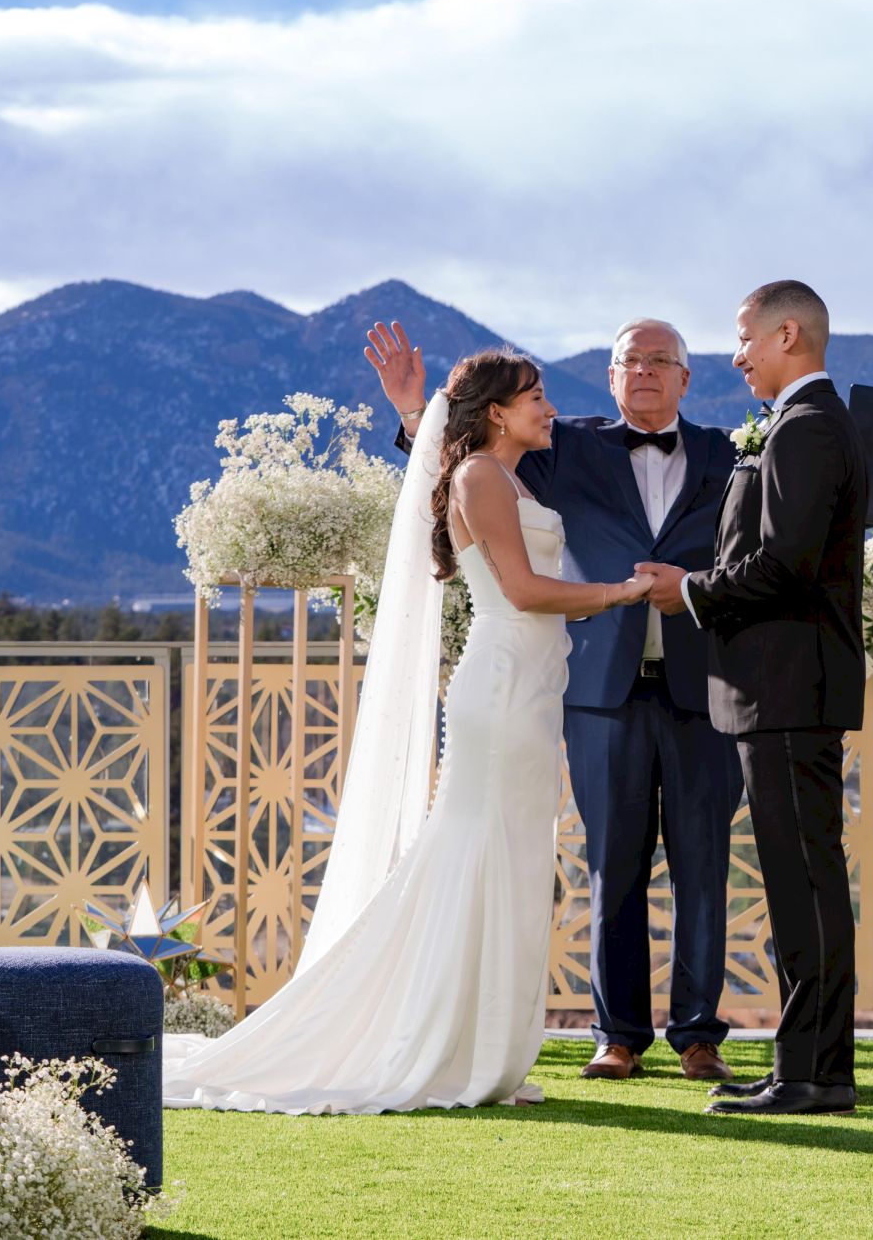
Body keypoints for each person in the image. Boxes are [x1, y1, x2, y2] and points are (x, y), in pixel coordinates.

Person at [366, 316, 873, 1083]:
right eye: (628, 361)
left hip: (707, 685)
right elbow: (465, 471)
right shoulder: (560, 446)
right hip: (595, 691)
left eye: (659, 361)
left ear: (684, 378)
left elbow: (809, 505)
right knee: (613, 865)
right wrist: (414, 414)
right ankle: (618, 1033)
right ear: (610, 378)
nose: (643, 371)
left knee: (705, 866)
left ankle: (699, 1034)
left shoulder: (732, 450)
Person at [161, 349, 653, 1114]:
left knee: (510, 856)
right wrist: (619, 592)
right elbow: (521, 589)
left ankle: (477, 1044)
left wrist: (415, 408)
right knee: (478, 852)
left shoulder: (504, 474)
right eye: (536, 397)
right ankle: (445, 1042)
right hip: (503, 686)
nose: (550, 409)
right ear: (497, 411)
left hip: (528, 686)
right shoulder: (482, 477)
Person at [640, 280, 872, 1116]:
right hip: (782, 688)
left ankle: (810, 1074)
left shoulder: (808, 429)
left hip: (786, 686)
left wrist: (690, 591)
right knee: (800, 881)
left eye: (743, 339)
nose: (735, 355)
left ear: (786, 335)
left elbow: (785, 564)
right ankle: (815, 1066)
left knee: (803, 883)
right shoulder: (808, 425)